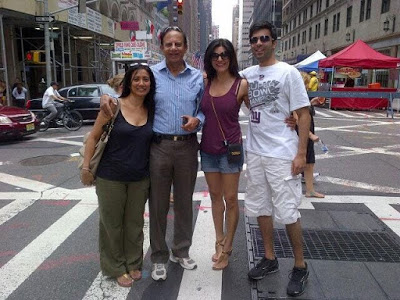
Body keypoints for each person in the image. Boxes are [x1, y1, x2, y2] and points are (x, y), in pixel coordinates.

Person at [100, 26, 205, 281]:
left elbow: (204, 109)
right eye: (168, 44)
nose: (173, 48)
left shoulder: (197, 78)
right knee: (157, 204)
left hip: (188, 147)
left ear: (185, 47)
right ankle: (158, 256)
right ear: (162, 47)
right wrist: (107, 97)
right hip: (157, 147)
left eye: (178, 44)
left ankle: (180, 251)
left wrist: (198, 120)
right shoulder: (151, 75)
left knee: (183, 203)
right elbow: (127, 94)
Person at [240, 21, 311, 297]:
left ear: (274, 42)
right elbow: (230, 86)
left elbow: (303, 114)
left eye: (264, 39)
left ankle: (300, 265)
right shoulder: (248, 73)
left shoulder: (288, 73)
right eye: (254, 40)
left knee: (289, 211)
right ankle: (269, 258)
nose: (258, 44)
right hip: (256, 153)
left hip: (283, 153)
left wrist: (301, 153)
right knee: (261, 208)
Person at [80, 65, 156, 287]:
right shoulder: (113, 106)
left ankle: (133, 262)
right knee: (111, 225)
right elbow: (93, 137)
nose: (141, 83)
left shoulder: (152, 109)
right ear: (129, 82)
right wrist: (86, 168)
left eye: (146, 80)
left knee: (134, 224)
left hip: (140, 178)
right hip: (110, 177)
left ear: (151, 84)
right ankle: (115, 266)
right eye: (137, 79)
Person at [200, 39, 248, 270]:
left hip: (231, 151)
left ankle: (228, 247)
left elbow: (261, 113)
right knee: (215, 198)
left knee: (231, 199)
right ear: (210, 59)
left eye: (224, 54)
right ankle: (219, 241)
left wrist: (293, 117)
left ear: (231, 57)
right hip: (208, 150)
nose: (220, 58)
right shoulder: (205, 82)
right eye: (215, 55)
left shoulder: (241, 85)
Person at [299, 72, 325, 199]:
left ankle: (310, 190)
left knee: (309, 163)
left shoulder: (303, 97)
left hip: (307, 133)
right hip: (301, 135)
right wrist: (310, 135)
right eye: (304, 83)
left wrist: (311, 103)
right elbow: (297, 119)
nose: (307, 86)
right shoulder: (295, 98)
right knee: (300, 162)